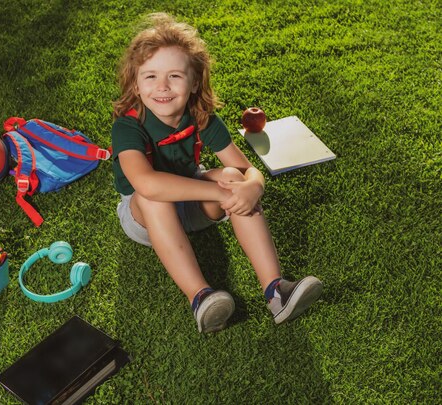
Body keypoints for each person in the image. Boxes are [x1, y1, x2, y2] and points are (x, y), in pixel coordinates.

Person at [111, 13, 323, 333]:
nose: (162, 87)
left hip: (194, 203)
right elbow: (147, 183)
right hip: (144, 216)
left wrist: (252, 186)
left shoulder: (200, 116)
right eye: (150, 76)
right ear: (136, 84)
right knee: (151, 196)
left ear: (194, 81)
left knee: (232, 177)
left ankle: (276, 291)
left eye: (175, 76)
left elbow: (245, 169)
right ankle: (201, 298)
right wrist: (218, 193)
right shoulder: (128, 125)